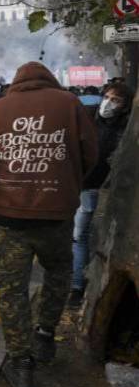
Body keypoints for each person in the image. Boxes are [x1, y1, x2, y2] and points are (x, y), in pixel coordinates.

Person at [0, 61, 98, 387]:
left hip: (9, 218)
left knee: (13, 291)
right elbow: (91, 154)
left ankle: (20, 362)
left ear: (16, 83)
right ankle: (45, 334)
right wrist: (65, 183)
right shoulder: (70, 104)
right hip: (57, 216)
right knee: (59, 273)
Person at [69, 82, 133, 307]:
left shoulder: (124, 131)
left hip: (91, 189)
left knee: (78, 236)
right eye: (107, 97)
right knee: (73, 236)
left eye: (116, 100)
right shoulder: (88, 119)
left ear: (125, 106)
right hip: (72, 185)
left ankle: (77, 287)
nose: (109, 103)